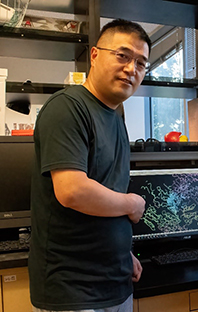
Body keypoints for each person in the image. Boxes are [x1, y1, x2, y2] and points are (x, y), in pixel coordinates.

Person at [28, 19, 151, 311]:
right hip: (73, 290)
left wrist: (123, 252)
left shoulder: (116, 118)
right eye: (122, 55)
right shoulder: (68, 107)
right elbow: (72, 191)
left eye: (141, 63)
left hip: (115, 280)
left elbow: (105, 193)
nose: (131, 68)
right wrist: (132, 204)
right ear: (95, 55)